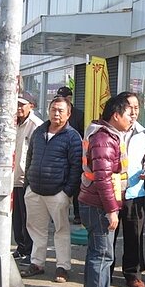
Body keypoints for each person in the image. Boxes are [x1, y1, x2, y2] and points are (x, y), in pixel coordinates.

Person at [79, 93, 134, 287]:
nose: (132, 117)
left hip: (94, 202)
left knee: (96, 253)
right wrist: (112, 210)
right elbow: (103, 178)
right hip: (99, 205)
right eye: (129, 113)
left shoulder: (107, 135)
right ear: (116, 115)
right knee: (102, 255)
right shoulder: (104, 139)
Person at [20, 96, 82, 283]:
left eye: (61, 110)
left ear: (68, 114)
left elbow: (76, 167)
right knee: (36, 230)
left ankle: (62, 267)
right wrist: (28, 184)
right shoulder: (39, 131)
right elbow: (30, 157)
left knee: (61, 231)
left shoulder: (72, 136)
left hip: (58, 193)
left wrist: (67, 192)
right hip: (35, 190)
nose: (56, 113)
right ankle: (37, 263)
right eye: (53, 109)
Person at [111, 92, 145, 287]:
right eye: (130, 108)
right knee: (109, 234)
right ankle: (106, 272)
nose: (134, 112)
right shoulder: (110, 130)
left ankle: (133, 275)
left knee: (134, 235)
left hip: (135, 192)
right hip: (111, 192)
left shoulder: (144, 133)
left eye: (137, 108)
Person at [11, 91, 43, 264]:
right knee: (16, 217)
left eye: (22, 104)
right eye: (16, 104)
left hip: (27, 179)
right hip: (12, 178)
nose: (18, 108)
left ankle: (30, 251)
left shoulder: (37, 125)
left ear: (31, 106)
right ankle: (21, 247)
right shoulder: (10, 122)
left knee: (29, 218)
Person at [57, 86, 85, 225]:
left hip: (75, 154)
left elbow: (83, 135)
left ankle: (78, 214)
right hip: (60, 154)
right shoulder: (56, 113)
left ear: (70, 98)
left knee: (76, 185)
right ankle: (61, 213)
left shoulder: (79, 115)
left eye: (64, 97)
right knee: (60, 184)